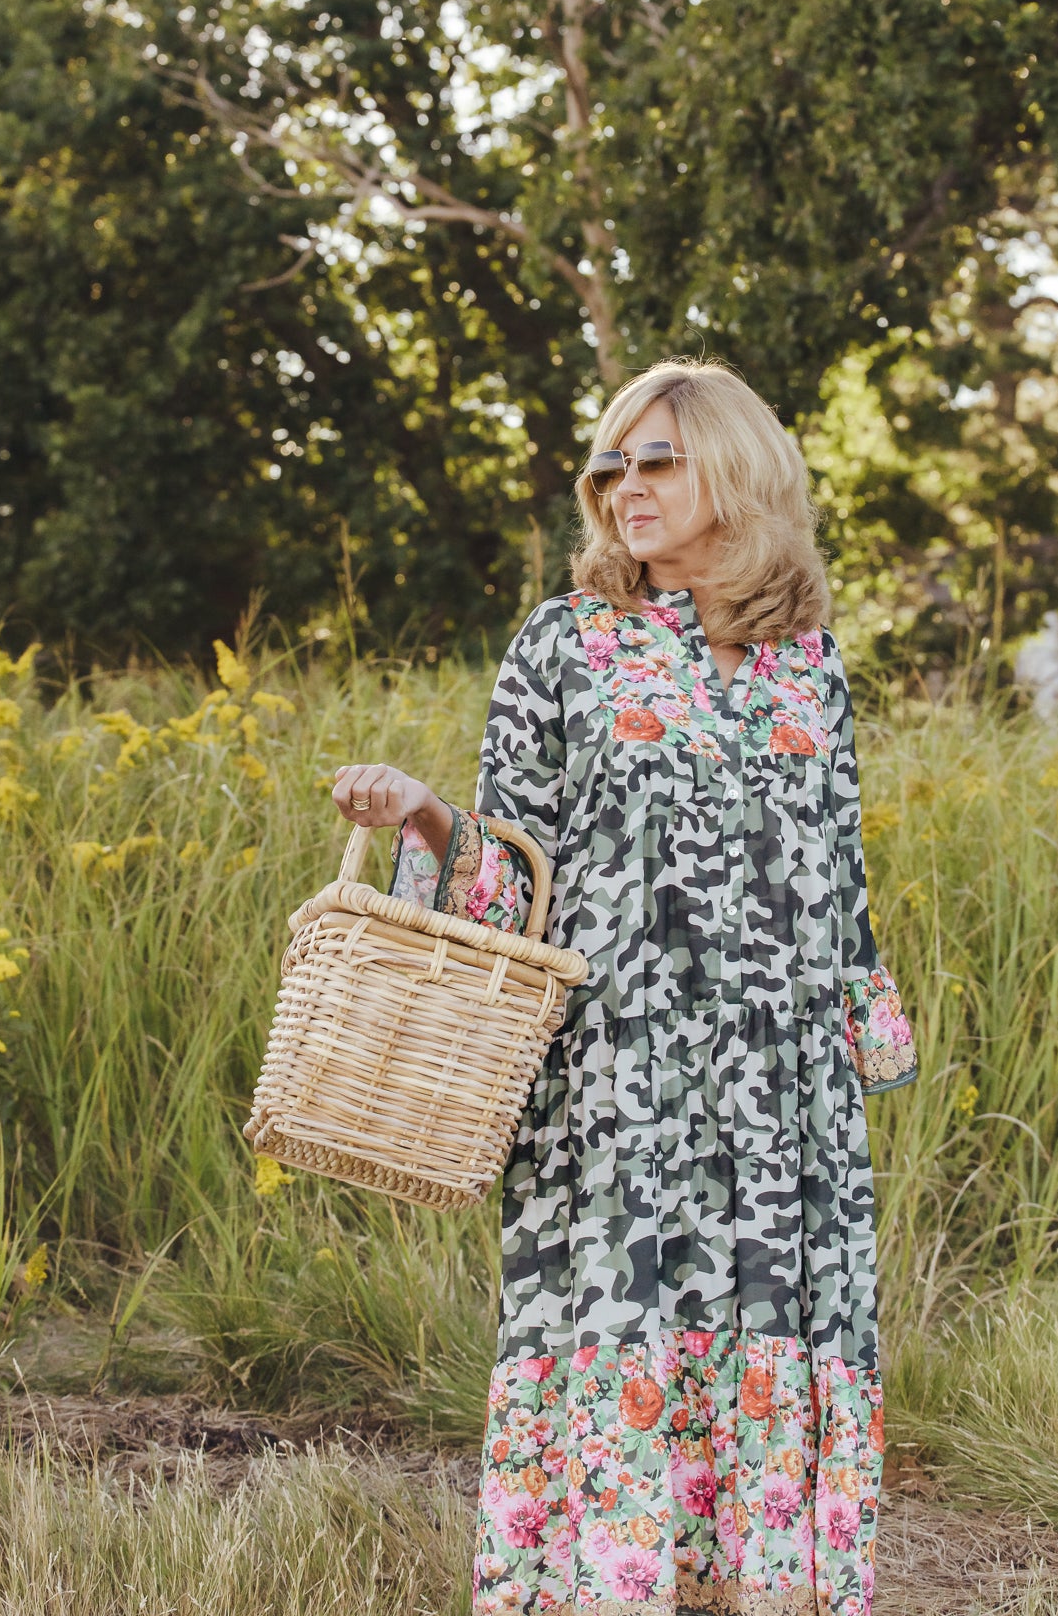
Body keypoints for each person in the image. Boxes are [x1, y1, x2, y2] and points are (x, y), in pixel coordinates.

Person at [332, 356, 917, 1616]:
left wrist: (854, 1047)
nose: (626, 484)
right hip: (614, 1077)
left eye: (658, 458)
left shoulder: (808, 661)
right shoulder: (565, 643)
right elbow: (519, 879)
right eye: (611, 462)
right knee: (614, 1327)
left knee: (771, 1324)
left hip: (780, 1090)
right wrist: (432, 819)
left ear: (737, 470)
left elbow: (838, 869)